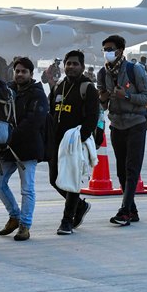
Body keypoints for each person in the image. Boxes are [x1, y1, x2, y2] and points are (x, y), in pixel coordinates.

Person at [98, 35, 147, 226]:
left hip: (136, 123)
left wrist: (128, 95)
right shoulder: (102, 73)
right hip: (116, 124)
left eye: (111, 49)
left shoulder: (135, 69)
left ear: (121, 50)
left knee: (132, 168)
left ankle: (124, 211)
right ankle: (132, 209)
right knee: (121, 171)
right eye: (105, 49)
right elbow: (103, 105)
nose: (107, 53)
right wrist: (104, 98)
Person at [0, 57, 48, 242]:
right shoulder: (8, 91)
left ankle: (25, 225)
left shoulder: (38, 94)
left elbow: (34, 121)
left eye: (24, 71)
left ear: (31, 74)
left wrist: (10, 134)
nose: (20, 74)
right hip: (7, 148)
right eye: (17, 71)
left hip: (28, 148)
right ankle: (14, 215)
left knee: (27, 189)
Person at [48, 50, 99, 235]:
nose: (71, 67)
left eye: (75, 64)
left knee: (72, 181)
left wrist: (82, 137)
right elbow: (50, 112)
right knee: (54, 180)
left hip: (75, 143)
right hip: (56, 142)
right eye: (68, 63)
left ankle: (66, 221)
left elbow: (93, 116)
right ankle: (80, 205)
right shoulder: (58, 87)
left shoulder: (87, 88)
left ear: (82, 66)